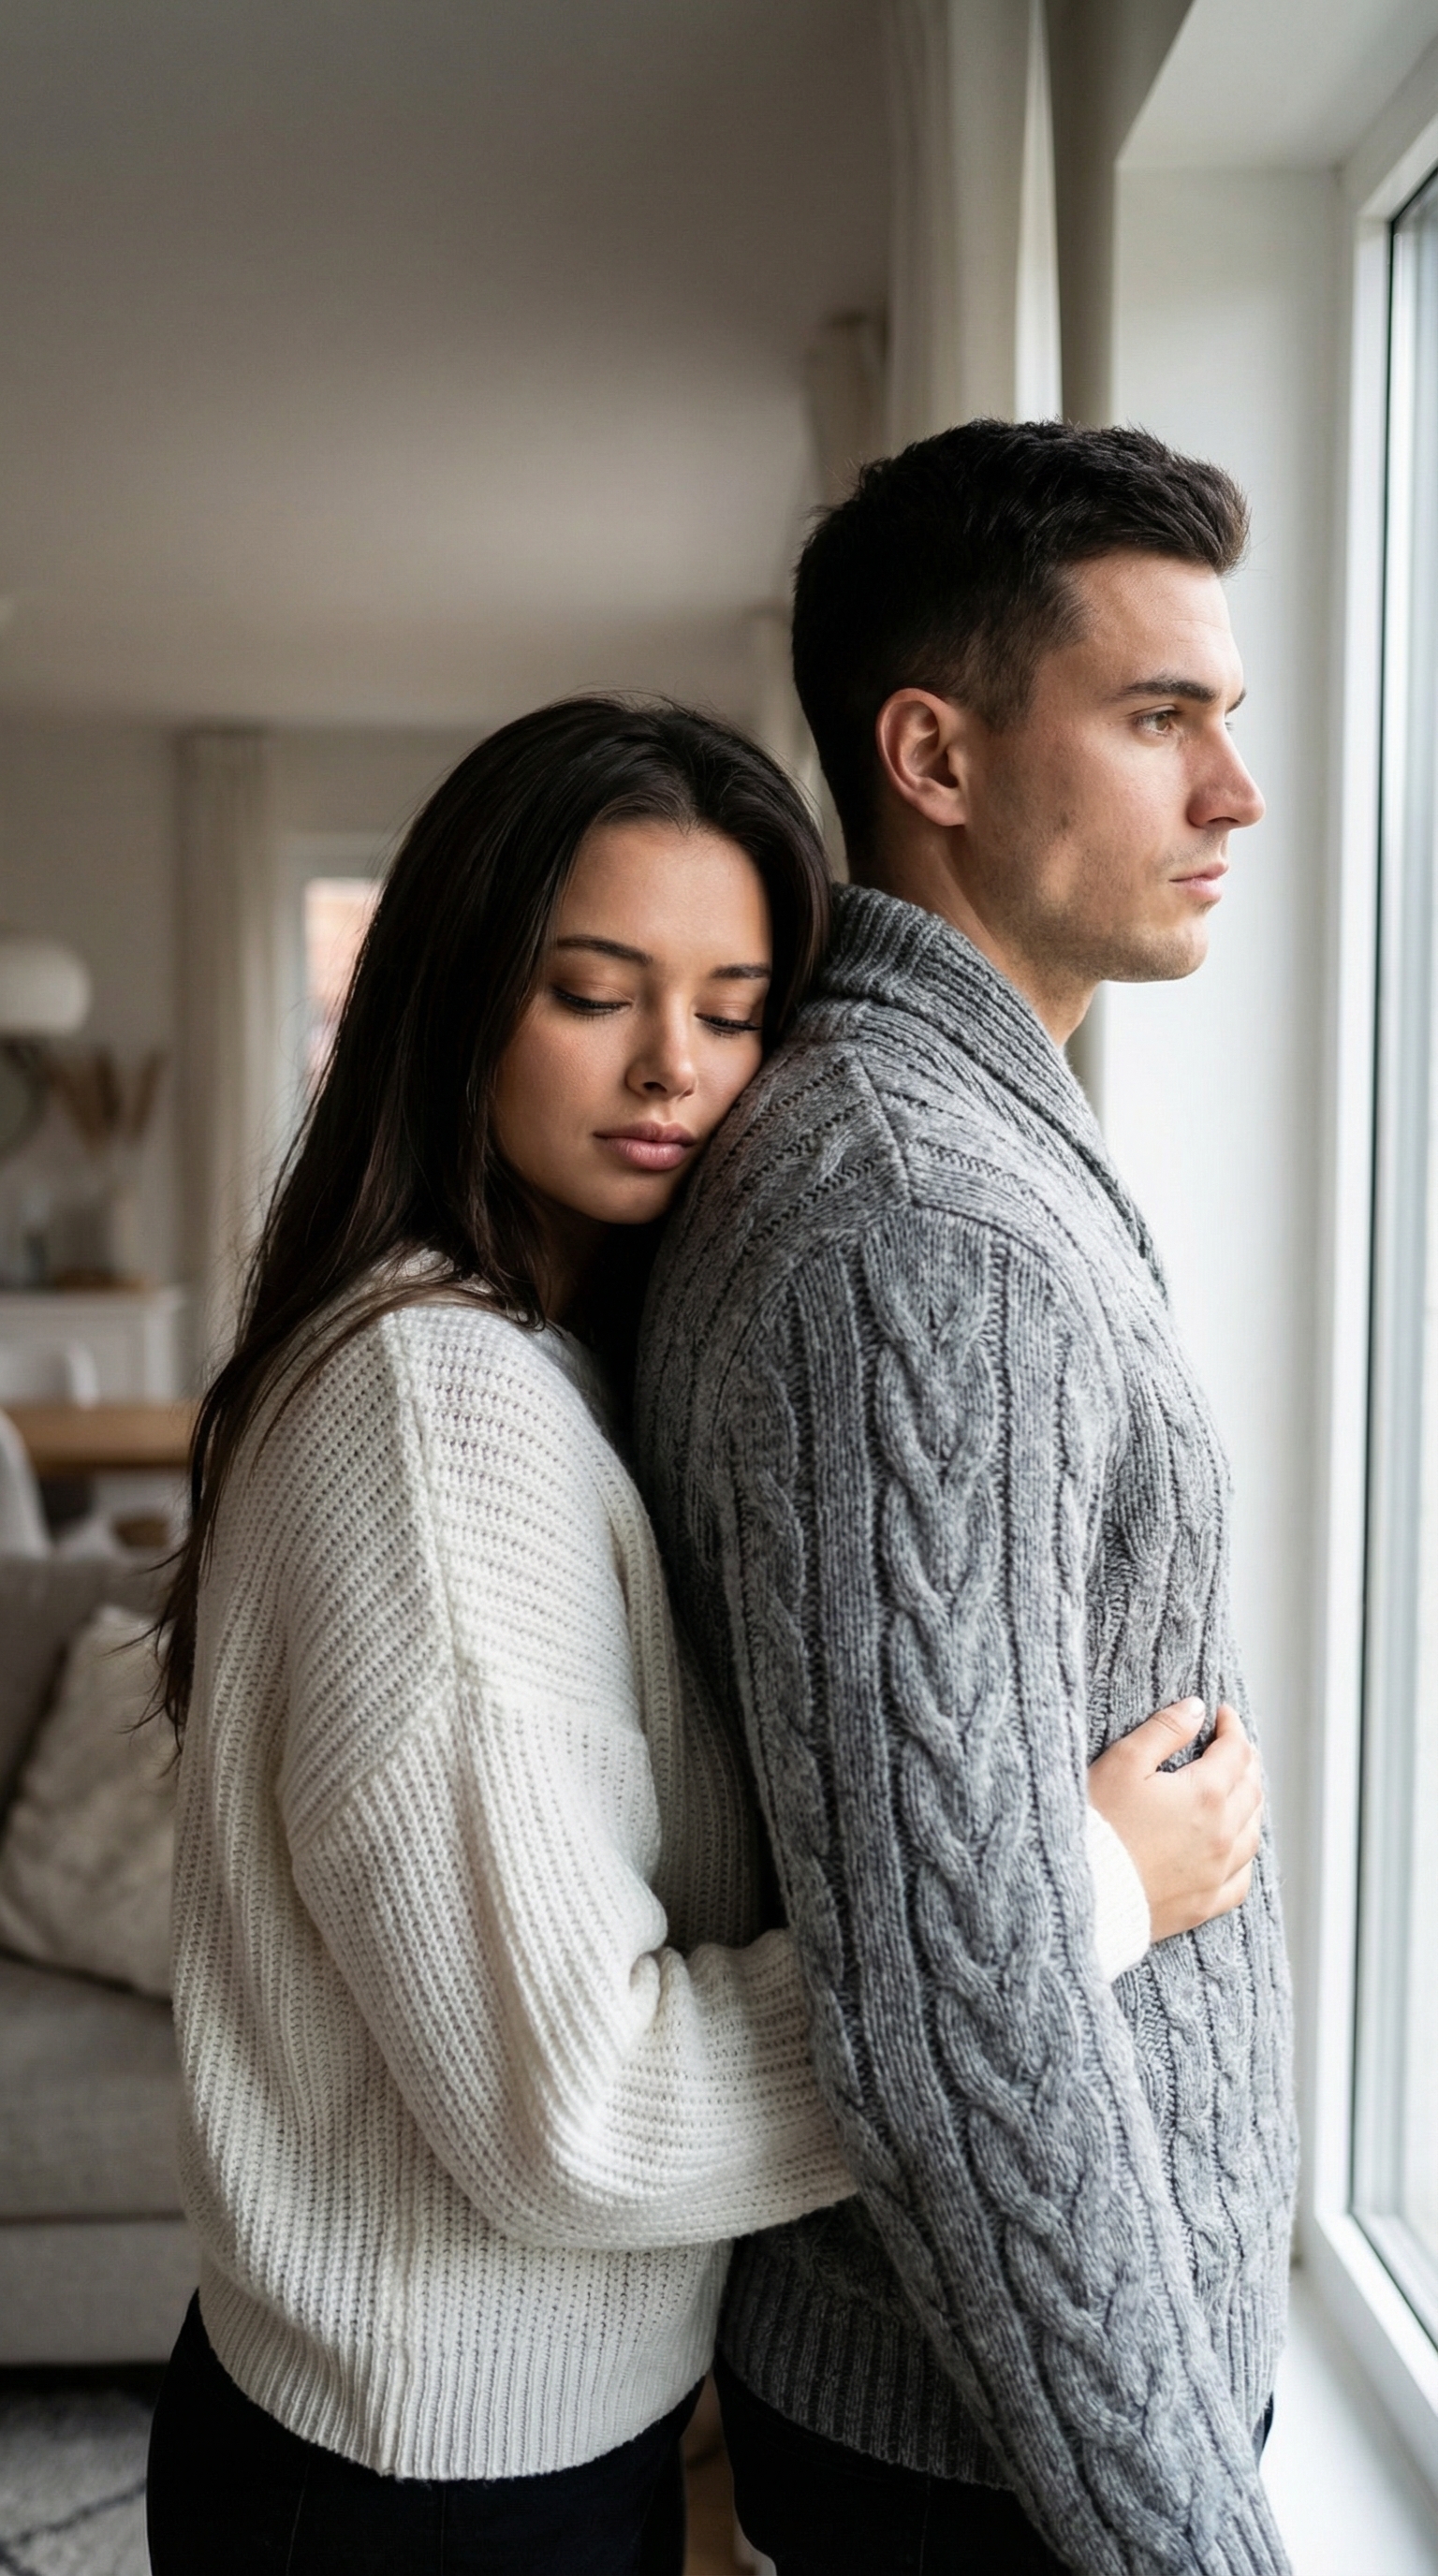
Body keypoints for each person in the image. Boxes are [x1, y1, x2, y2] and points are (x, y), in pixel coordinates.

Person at [146, 690, 1265, 2576]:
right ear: (453, 996)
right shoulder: (441, 1420)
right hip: (411, 2491)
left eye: (735, 1008)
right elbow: (581, 2109)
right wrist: (1087, 1888)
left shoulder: (562, 1349)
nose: (675, 1063)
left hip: (500, 2430)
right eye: (595, 991)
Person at [636, 422, 1299, 2576]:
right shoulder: (911, 1225)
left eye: (1229, 713)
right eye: (1157, 716)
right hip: (1002, 2457)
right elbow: (956, 2011)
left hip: (1021, 2404)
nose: (1236, 792)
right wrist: (1186, 2532)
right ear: (930, 748)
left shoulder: (958, 1141)